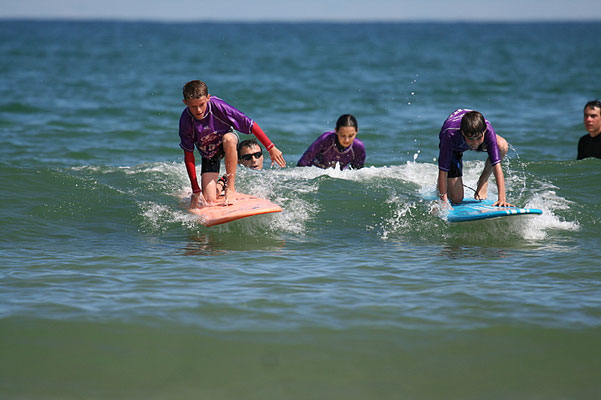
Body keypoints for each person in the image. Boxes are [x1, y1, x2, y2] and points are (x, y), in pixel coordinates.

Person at [178, 80, 286, 205]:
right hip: (209, 154)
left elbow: (250, 124)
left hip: (228, 141)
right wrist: (195, 189)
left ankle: (230, 188)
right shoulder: (185, 122)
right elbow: (189, 155)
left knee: (228, 139)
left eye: (201, 104)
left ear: (208, 98)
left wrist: (271, 147)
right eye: (193, 106)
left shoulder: (218, 107)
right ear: (185, 103)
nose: (198, 110)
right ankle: (222, 183)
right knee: (209, 200)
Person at [437, 109, 513, 207]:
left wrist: (502, 199)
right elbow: (443, 171)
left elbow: (496, 166)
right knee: (456, 199)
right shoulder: (449, 135)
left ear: (484, 131)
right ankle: (442, 186)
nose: (475, 143)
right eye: (471, 139)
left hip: (473, 129)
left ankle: (483, 181)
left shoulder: (487, 129)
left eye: (478, 138)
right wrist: (443, 201)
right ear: (463, 133)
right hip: (455, 147)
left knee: (502, 146)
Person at [297, 114, 365, 169]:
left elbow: (356, 171)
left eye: (351, 136)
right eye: (342, 135)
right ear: (336, 131)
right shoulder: (325, 139)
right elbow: (302, 163)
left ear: (357, 132)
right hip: (314, 171)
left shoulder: (358, 147)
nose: (346, 140)